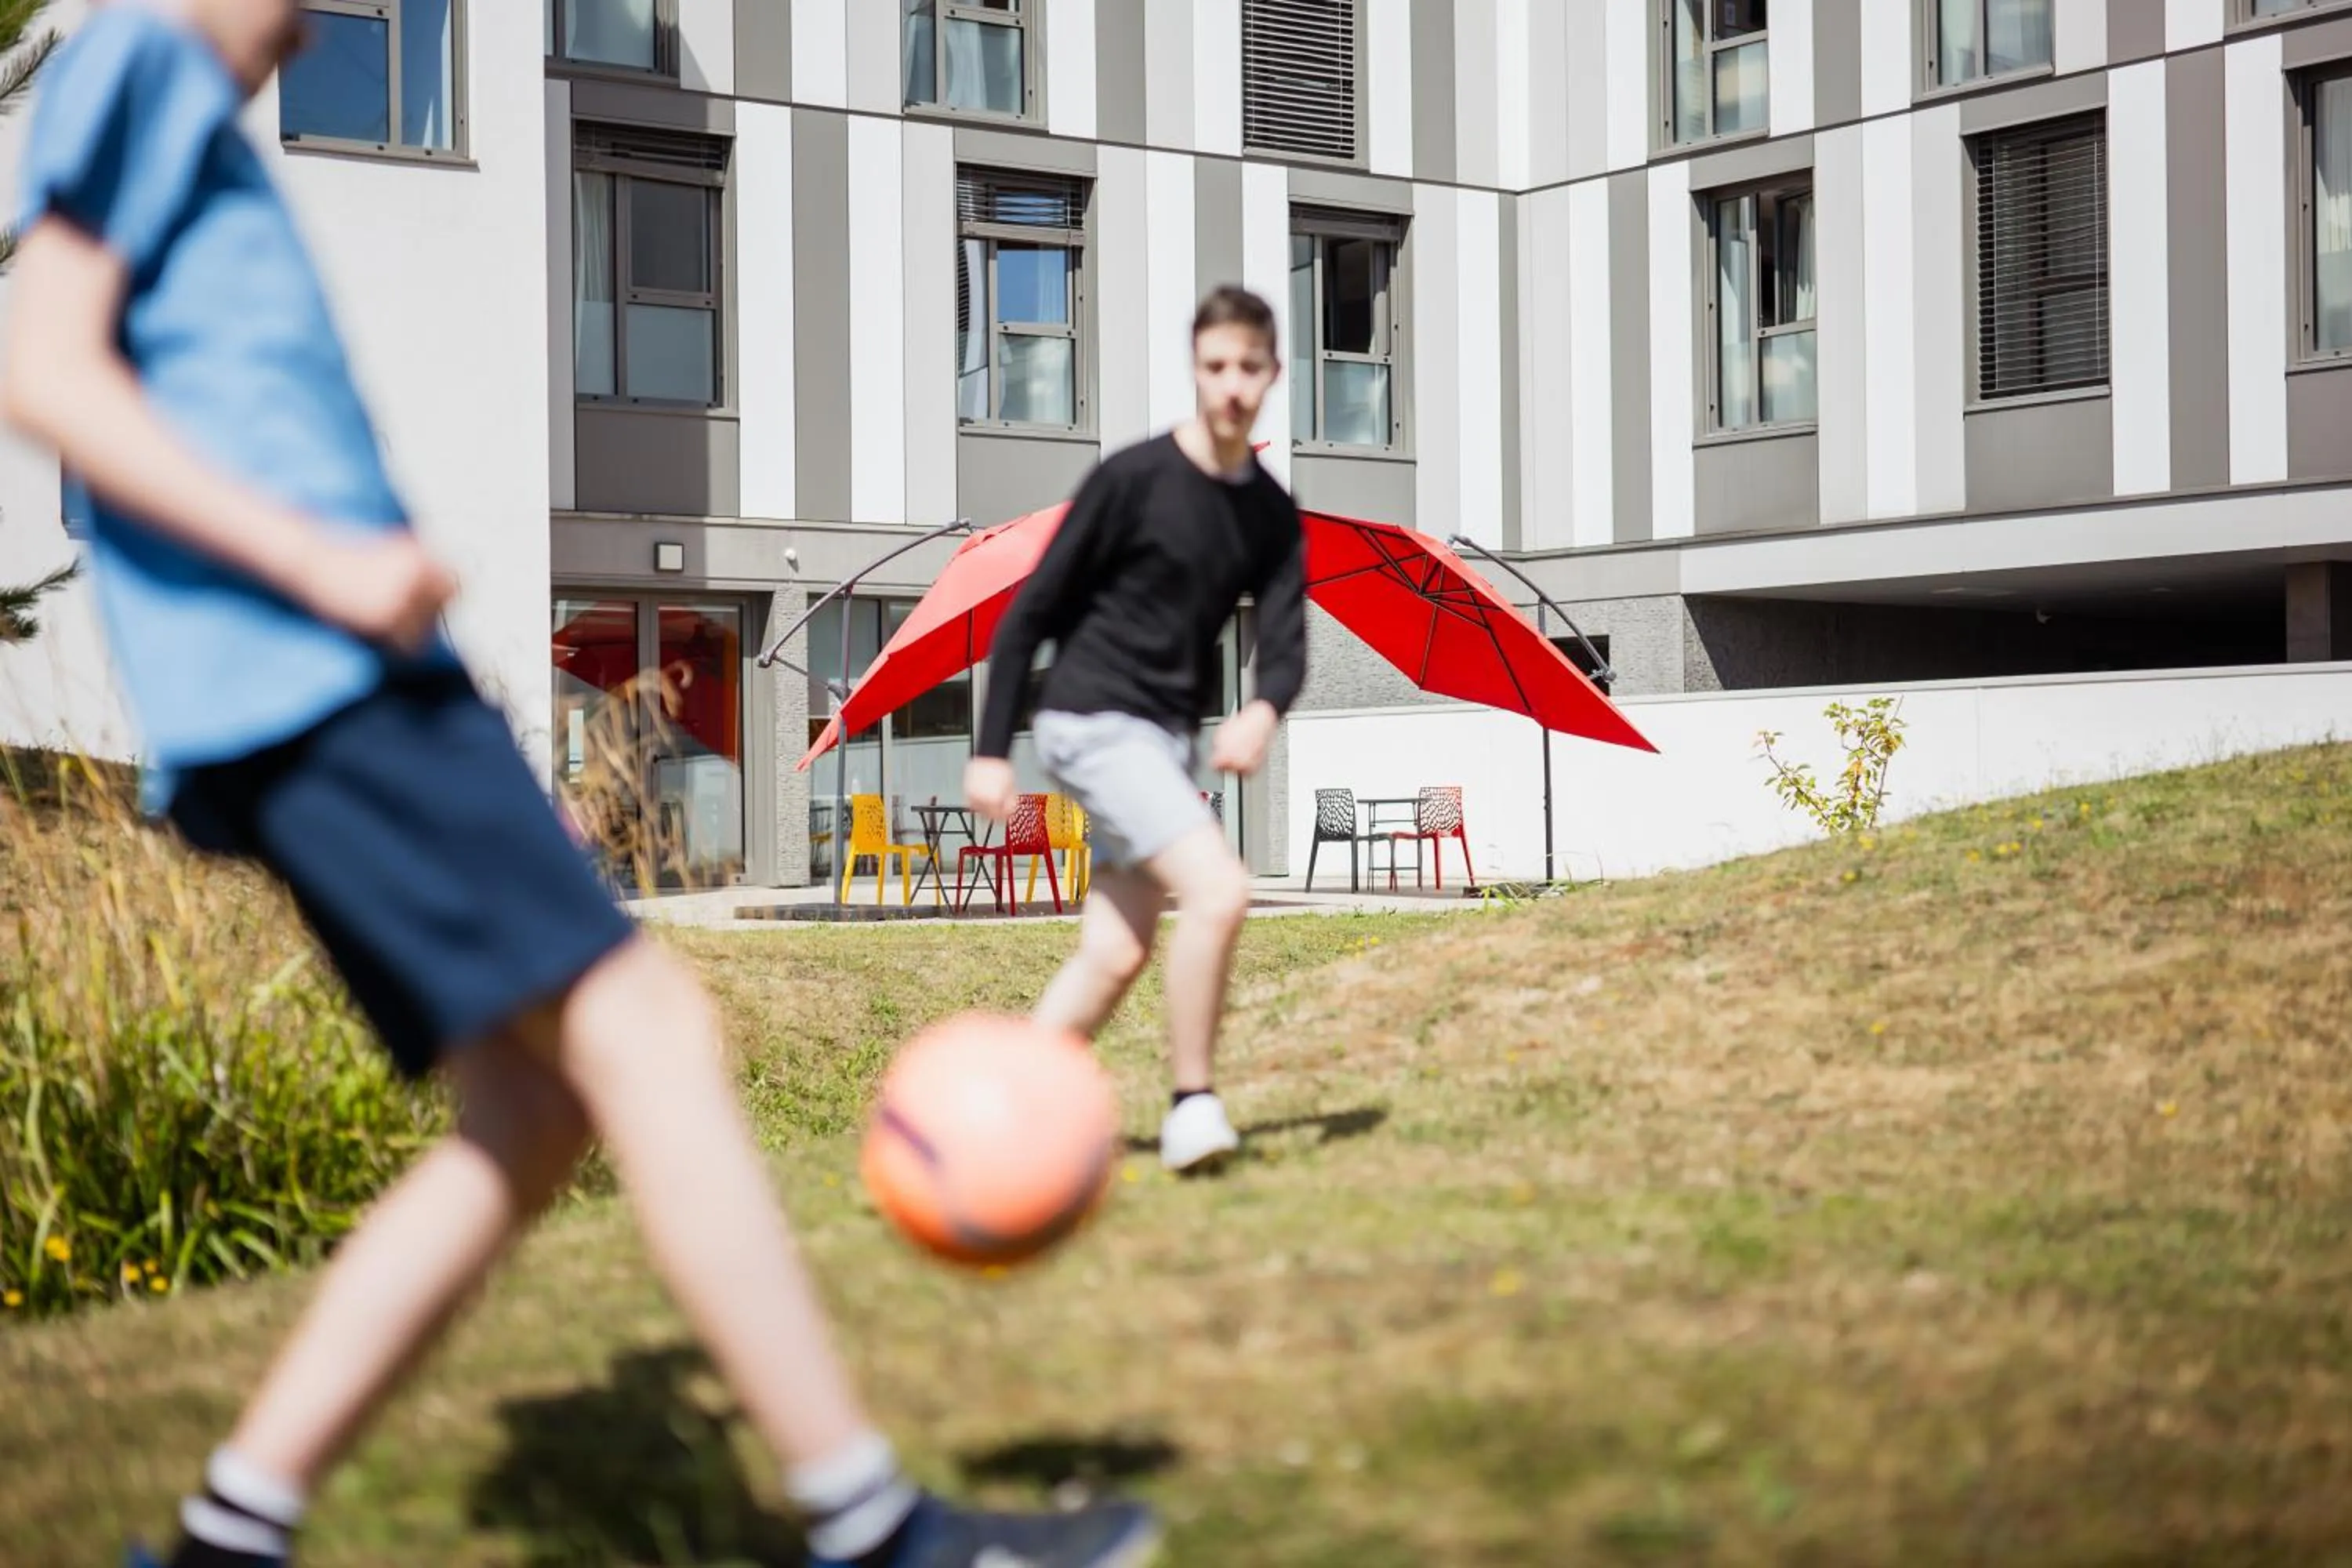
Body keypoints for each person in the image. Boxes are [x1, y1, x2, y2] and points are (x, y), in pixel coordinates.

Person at [1, 5, 1158, 1566]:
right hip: (315, 680)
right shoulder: (140, 58)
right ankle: (875, 1529)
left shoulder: (196, 126)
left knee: (533, 1115)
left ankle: (222, 1539)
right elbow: (41, 366)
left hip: (339, 689)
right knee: (653, 1029)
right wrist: (323, 563)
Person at [964, 285, 1307, 1175]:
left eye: (1249, 368)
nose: (1232, 385)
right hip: (1089, 717)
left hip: (1159, 741)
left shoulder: (1269, 513)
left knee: (1117, 950)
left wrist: (1264, 708)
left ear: (1274, 375)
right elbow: (1029, 612)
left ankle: (1008, 1100)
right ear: (1197, 369)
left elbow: (1286, 645)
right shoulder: (1132, 478)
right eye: (1216, 366)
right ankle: (1194, 1103)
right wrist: (991, 749)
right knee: (1222, 890)